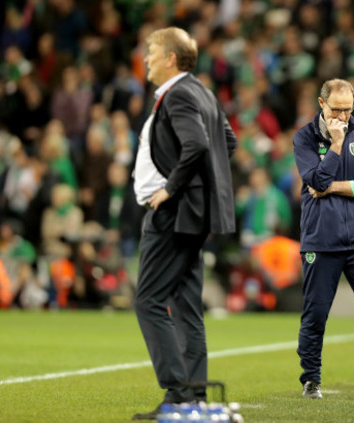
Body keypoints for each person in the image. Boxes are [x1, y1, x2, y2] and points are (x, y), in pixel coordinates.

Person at [131, 27, 237, 420]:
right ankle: (192, 397)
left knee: (148, 300)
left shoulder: (178, 94)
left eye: (152, 51)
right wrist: (207, 192)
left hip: (174, 216)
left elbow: (199, 144)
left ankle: (177, 392)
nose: (146, 58)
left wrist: (174, 189)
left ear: (171, 58)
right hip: (193, 215)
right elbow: (227, 141)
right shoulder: (202, 92)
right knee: (186, 306)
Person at [293, 79, 354, 401]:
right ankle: (311, 380)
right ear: (322, 104)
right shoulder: (304, 138)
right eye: (337, 110)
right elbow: (315, 178)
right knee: (316, 313)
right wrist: (335, 146)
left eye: (349, 110)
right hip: (321, 240)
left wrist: (332, 187)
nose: (344, 117)